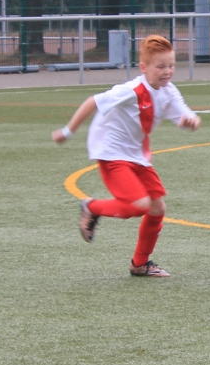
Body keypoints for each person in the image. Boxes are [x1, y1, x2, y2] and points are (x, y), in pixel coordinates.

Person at [52, 35, 200, 277]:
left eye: (171, 65)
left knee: (157, 208)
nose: (167, 71)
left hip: (137, 154)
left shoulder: (169, 91)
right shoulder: (132, 90)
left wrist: (191, 121)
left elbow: (186, 116)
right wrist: (68, 132)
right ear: (144, 68)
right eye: (160, 66)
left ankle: (140, 264)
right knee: (139, 205)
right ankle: (92, 207)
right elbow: (93, 101)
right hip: (111, 152)